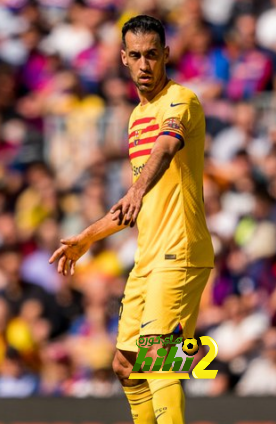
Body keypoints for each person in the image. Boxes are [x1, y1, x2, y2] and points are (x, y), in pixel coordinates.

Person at [49, 15, 214, 424]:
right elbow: (132, 203)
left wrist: (137, 190)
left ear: (166, 56)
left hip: (181, 252)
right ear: (123, 58)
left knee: (160, 358)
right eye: (136, 56)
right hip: (148, 256)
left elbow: (165, 149)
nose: (145, 65)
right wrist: (87, 238)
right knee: (126, 366)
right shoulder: (135, 117)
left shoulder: (181, 100)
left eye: (153, 55)